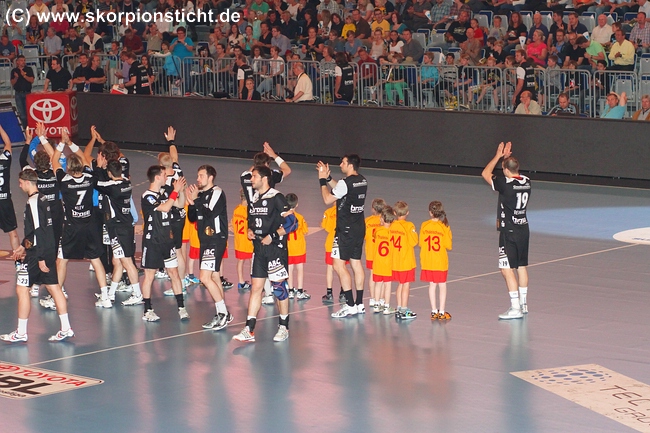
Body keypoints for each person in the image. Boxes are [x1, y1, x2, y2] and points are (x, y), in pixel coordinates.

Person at [0, 169, 74, 343]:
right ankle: (66, 328)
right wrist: (23, 246)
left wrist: (40, 258)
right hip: (46, 249)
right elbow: (37, 231)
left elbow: (40, 230)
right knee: (54, 288)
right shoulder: (43, 198)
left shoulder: (33, 201)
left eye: (20, 183)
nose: (19, 186)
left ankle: (21, 332)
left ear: (27, 182)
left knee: (22, 289)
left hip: (37, 254)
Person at [47, 132, 110, 310]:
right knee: (96, 259)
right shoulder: (90, 178)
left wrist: (62, 144)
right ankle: (105, 297)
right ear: (82, 166)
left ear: (68, 168)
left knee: (62, 260)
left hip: (72, 227)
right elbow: (83, 156)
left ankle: (56, 297)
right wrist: (71, 143)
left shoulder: (64, 181)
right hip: (89, 225)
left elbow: (54, 160)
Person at [232, 166, 293, 342]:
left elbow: (292, 222)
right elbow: (253, 220)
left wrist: (272, 236)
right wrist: (250, 230)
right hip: (259, 250)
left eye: (254, 176)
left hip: (275, 249)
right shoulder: (255, 198)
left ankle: (284, 327)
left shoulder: (276, 197)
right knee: (256, 288)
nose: (251, 179)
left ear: (264, 178)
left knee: (279, 289)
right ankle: (249, 330)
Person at [481, 141, 531, 320]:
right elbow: (513, 171)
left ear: (505, 170)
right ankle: (523, 303)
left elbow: (485, 173)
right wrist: (507, 160)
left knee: (506, 269)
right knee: (521, 266)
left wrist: (498, 156)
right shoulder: (526, 181)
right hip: (523, 228)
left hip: (509, 231)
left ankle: (515, 308)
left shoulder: (505, 185)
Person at [317, 154, 368, 318]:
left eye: (343, 162)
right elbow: (342, 190)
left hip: (345, 230)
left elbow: (327, 199)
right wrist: (329, 178)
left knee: (338, 265)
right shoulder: (362, 180)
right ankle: (359, 304)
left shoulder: (345, 183)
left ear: (350, 165)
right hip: (359, 228)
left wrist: (322, 181)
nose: (340, 165)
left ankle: (350, 305)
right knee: (356, 263)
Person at [186, 165, 234, 330]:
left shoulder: (217, 192)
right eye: (197, 176)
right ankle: (223, 312)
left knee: (205, 278)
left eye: (201, 176)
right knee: (214, 276)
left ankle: (223, 314)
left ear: (210, 177)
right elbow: (192, 217)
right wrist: (191, 202)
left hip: (215, 239)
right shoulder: (200, 195)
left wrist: (196, 200)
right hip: (205, 240)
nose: (197, 179)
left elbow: (209, 212)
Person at [93, 159, 144, 309]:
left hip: (118, 229)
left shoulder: (112, 187)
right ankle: (111, 294)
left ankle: (137, 294)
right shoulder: (127, 183)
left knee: (127, 262)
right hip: (125, 226)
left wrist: (98, 167)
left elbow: (96, 183)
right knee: (118, 262)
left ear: (110, 173)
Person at [140, 166, 187, 322]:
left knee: (174, 273)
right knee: (149, 275)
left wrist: (181, 191)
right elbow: (166, 207)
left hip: (167, 240)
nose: (167, 178)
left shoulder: (165, 192)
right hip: (152, 241)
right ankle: (147, 310)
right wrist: (175, 191)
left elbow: (180, 205)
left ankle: (181, 308)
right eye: (164, 175)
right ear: (157, 177)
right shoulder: (147, 196)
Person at [157, 127, 188, 296]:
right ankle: (181, 281)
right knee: (179, 248)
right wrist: (171, 142)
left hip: (174, 216)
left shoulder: (167, 181)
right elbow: (175, 156)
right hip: (181, 216)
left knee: (176, 250)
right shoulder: (176, 168)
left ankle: (180, 284)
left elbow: (174, 202)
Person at [419, 200, 452, 321]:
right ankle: (441, 311)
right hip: (440, 261)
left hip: (428, 260)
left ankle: (433, 311)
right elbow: (448, 245)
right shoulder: (444, 227)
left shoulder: (424, 225)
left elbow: (421, 242)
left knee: (432, 285)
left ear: (430, 213)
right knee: (442, 285)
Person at [391, 201, 418, 319]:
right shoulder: (409, 226)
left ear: (394, 212)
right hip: (406, 261)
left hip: (395, 261)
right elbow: (414, 242)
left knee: (400, 284)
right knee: (406, 285)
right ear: (407, 213)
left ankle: (399, 307)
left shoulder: (391, 225)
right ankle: (404, 309)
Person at [285, 193, 310, 300]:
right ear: (297, 204)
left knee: (289, 269)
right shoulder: (300, 217)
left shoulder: (283, 217)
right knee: (300, 269)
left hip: (288, 248)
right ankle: (300, 291)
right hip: (299, 248)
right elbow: (305, 231)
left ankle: (290, 291)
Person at [371, 206, 395, 314]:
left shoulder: (377, 230)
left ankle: (376, 304)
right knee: (387, 285)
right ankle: (386, 306)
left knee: (378, 284)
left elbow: (374, 236)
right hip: (387, 263)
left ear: (381, 219)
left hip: (377, 263)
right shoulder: (392, 233)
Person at [364, 198, 386, 310]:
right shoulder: (385, 222)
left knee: (372, 275)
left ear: (373, 209)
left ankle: (373, 298)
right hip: (382, 254)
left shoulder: (367, 221)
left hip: (370, 252)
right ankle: (381, 298)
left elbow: (363, 236)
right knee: (383, 276)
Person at [232, 189, 253, 292]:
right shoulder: (249, 211)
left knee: (240, 261)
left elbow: (232, 224)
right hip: (248, 242)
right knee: (252, 262)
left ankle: (241, 281)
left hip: (239, 241)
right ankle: (254, 281)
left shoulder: (236, 209)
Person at [11, 55, 34, 128]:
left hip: (27, 93)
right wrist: (16, 77)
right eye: (21, 60)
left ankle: (30, 128)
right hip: (18, 94)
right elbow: (12, 83)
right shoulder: (14, 71)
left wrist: (24, 76)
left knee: (28, 112)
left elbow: (32, 80)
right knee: (22, 114)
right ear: (17, 62)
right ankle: (24, 128)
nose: (23, 62)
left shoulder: (29, 69)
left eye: (24, 60)